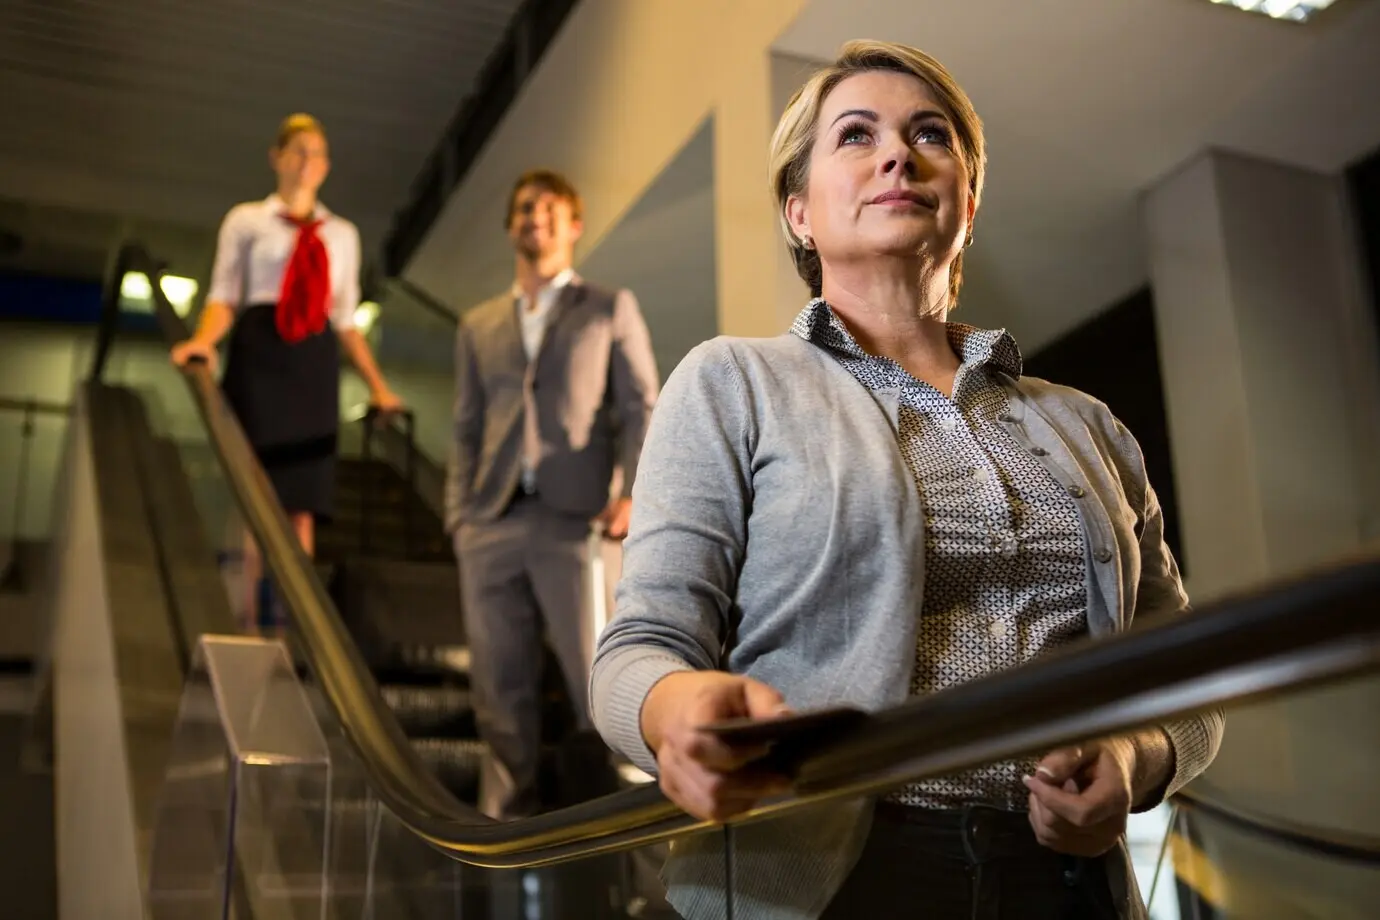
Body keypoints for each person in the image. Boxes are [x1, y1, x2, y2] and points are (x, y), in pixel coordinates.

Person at [590, 41, 1224, 920]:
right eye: (857, 135)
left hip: (1064, 886)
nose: (899, 153)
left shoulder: (1087, 424)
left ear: (968, 200)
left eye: (931, 135)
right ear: (800, 210)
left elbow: (1183, 672)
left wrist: (1134, 759)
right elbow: (636, 651)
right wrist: (674, 709)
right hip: (829, 877)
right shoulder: (731, 381)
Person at [445, 169, 660, 820]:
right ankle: (505, 843)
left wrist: (636, 496)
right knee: (499, 692)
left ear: (572, 225)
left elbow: (641, 405)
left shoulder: (607, 306)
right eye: (521, 207)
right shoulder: (478, 325)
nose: (532, 215)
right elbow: (464, 426)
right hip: (490, 524)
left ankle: (647, 847)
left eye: (546, 206)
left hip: (579, 525)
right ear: (511, 227)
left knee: (606, 686)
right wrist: (458, 518)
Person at [172, 113, 402, 629]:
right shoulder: (247, 220)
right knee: (256, 490)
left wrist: (380, 388)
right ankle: (248, 618)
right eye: (297, 150)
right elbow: (224, 295)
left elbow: (345, 319)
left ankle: (296, 625)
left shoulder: (341, 234)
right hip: (260, 354)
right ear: (276, 157)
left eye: (317, 153)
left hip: (313, 363)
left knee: (304, 499)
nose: (307, 162)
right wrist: (204, 341)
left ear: (326, 166)